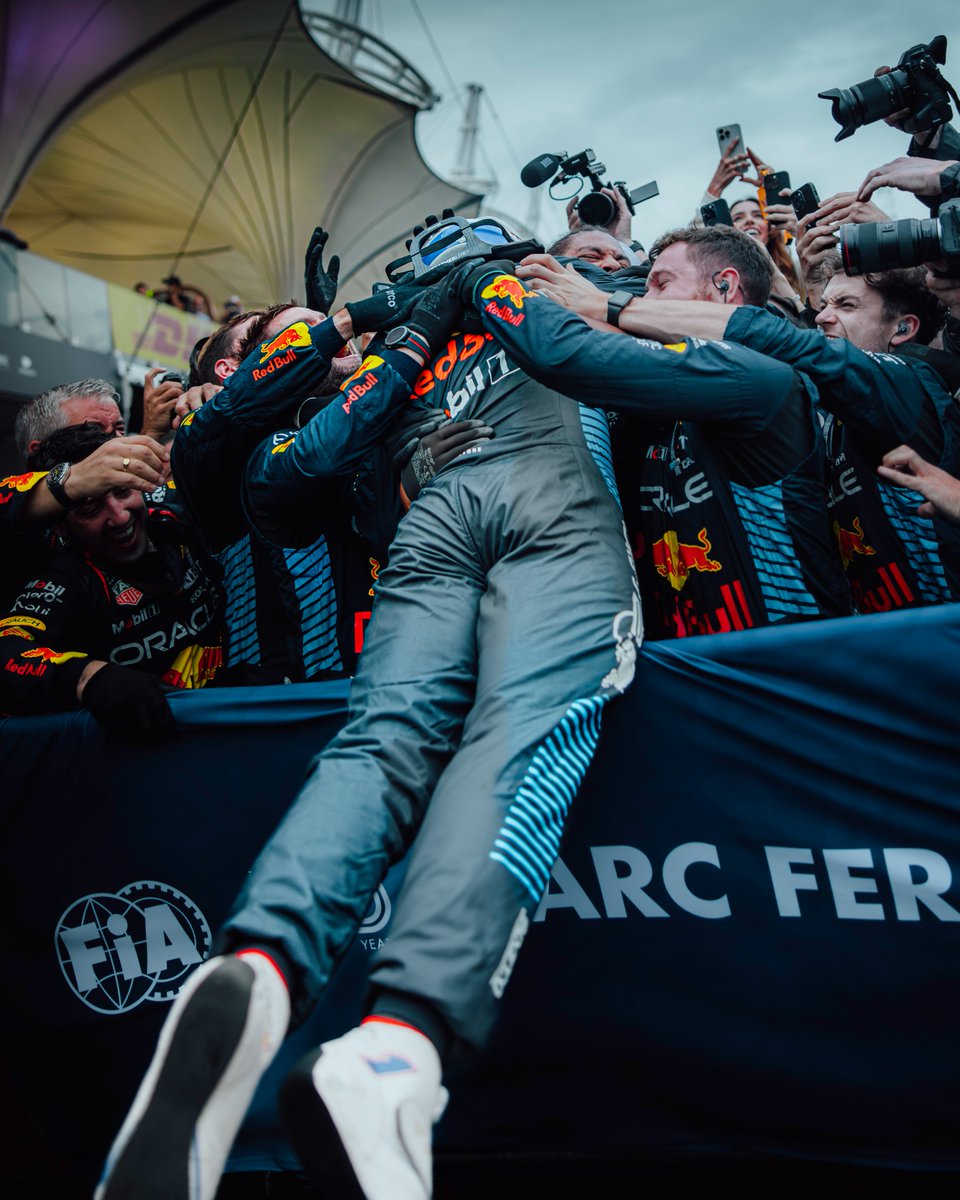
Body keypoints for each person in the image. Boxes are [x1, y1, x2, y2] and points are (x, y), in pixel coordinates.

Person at [95, 215, 642, 1200]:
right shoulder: (284, 416)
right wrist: (396, 315)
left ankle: (255, 977)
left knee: (377, 770)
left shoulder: (388, 382)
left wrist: (407, 330)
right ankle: (390, 1056)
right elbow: (256, 439)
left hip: (395, 648)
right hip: (349, 664)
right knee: (515, 746)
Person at [560, 250, 960, 614]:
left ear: (903, 328)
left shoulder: (909, 383)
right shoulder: (823, 404)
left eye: (846, 305)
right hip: (874, 639)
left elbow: (784, 343)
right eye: (823, 305)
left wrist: (605, 305)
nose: (821, 317)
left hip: (939, 634)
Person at [516, 224, 852, 637]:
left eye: (660, 284)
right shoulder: (656, 402)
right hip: (683, 665)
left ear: (725, 287)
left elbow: (572, 353)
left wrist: (489, 284)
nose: (643, 297)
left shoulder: (760, 378)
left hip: (787, 659)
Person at [0, 423, 224, 736]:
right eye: (91, 507)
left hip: (232, 716)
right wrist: (88, 678)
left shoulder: (175, 518)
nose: (119, 516)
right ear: (61, 526)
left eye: (122, 491)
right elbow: (7, 651)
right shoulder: (65, 580)